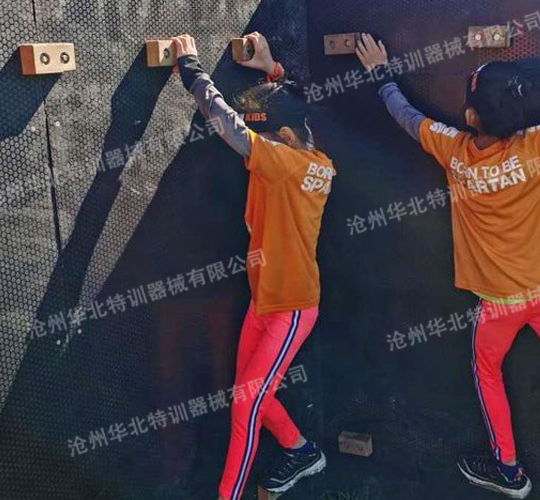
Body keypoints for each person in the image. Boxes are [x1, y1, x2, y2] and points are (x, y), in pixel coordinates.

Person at [355, 11, 540, 500]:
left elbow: (405, 116)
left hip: (499, 304)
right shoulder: (539, 143)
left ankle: (509, 471)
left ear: (471, 117)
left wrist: (380, 74)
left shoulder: (452, 150)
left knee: (486, 371)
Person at [171, 32, 335, 500]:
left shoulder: (281, 163)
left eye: (266, 133)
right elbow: (301, 110)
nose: (257, 139)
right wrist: (272, 69)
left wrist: (192, 71)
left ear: (284, 139)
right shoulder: (316, 156)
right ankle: (301, 450)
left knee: (245, 406)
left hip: (291, 308)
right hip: (265, 301)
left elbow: (228, 125)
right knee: (249, 393)